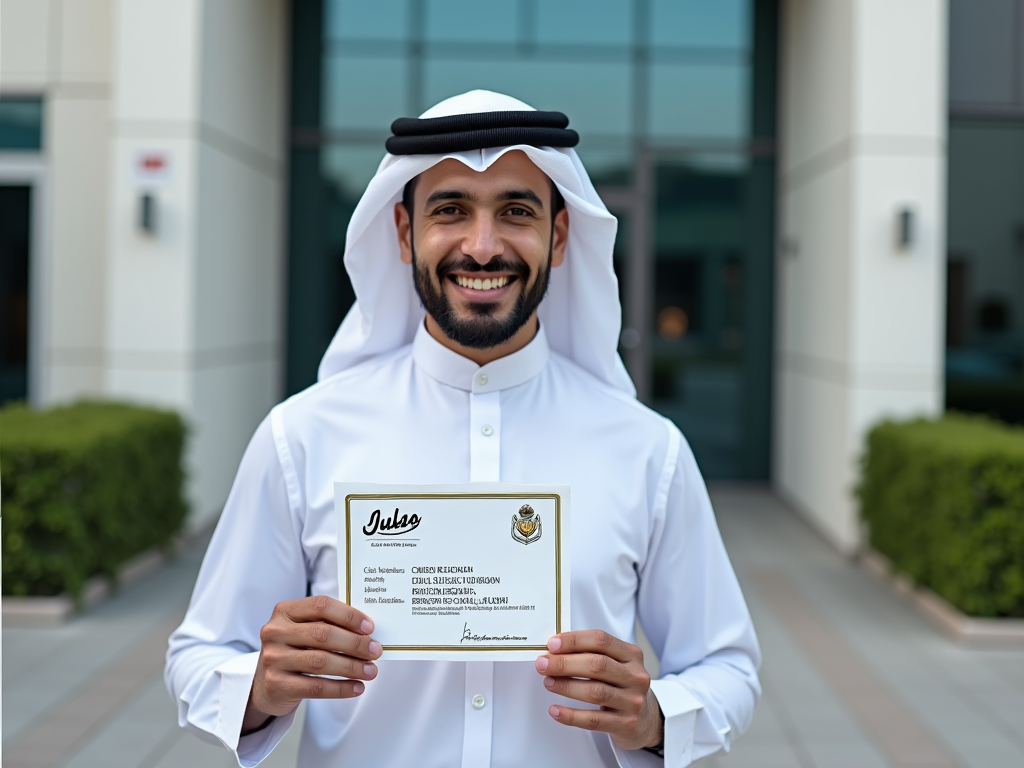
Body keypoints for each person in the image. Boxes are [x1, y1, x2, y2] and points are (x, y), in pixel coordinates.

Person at [165, 89, 760, 768]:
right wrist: (259, 688)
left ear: (559, 237)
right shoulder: (302, 436)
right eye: (450, 210)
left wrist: (654, 715)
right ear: (402, 232)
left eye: (516, 212)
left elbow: (728, 667)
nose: (483, 247)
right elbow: (198, 657)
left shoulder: (648, 451)